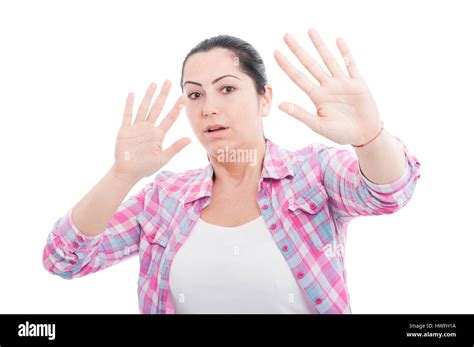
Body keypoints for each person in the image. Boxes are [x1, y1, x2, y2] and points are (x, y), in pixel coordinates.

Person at [42, 28, 421, 314]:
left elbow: (390, 193)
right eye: (195, 94)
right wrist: (121, 176)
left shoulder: (312, 173)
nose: (208, 108)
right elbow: (63, 260)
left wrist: (369, 137)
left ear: (264, 98)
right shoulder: (164, 198)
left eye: (226, 89)